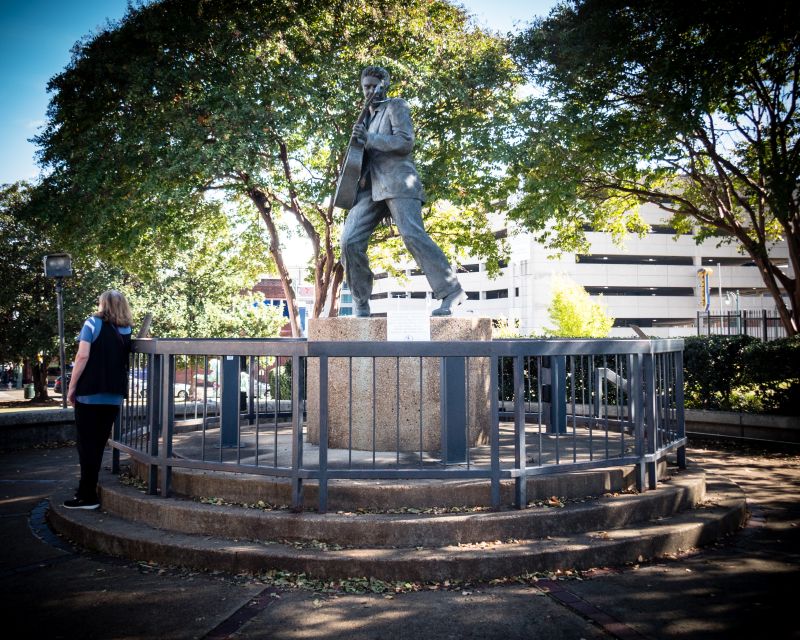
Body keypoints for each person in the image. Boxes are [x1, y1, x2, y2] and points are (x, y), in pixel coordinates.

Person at [341, 65, 466, 317]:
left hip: (398, 181)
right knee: (349, 241)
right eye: (366, 86)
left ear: (384, 85)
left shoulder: (395, 106)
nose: (370, 91)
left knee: (412, 235)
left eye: (374, 86)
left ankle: (451, 291)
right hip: (370, 188)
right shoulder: (367, 117)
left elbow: (405, 141)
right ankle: (361, 301)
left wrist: (369, 139)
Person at [64, 290, 133, 510]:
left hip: (89, 393)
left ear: (103, 304)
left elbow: (82, 356)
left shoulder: (92, 323)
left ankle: (87, 496)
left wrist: (71, 387)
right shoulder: (127, 329)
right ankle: (86, 492)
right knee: (98, 445)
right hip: (113, 396)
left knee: (86, 446)